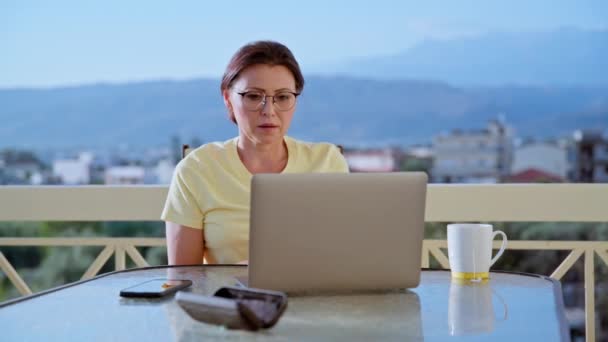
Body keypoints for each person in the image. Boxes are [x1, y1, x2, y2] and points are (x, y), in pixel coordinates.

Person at [161, 41, 349, 265]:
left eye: (282, 97)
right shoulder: (197, 169)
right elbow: (183, 278)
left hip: (317, 298)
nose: (269, 111)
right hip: (229, 298)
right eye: (252, 96)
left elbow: (343, 257)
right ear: (228, 99)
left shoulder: (328, 162)